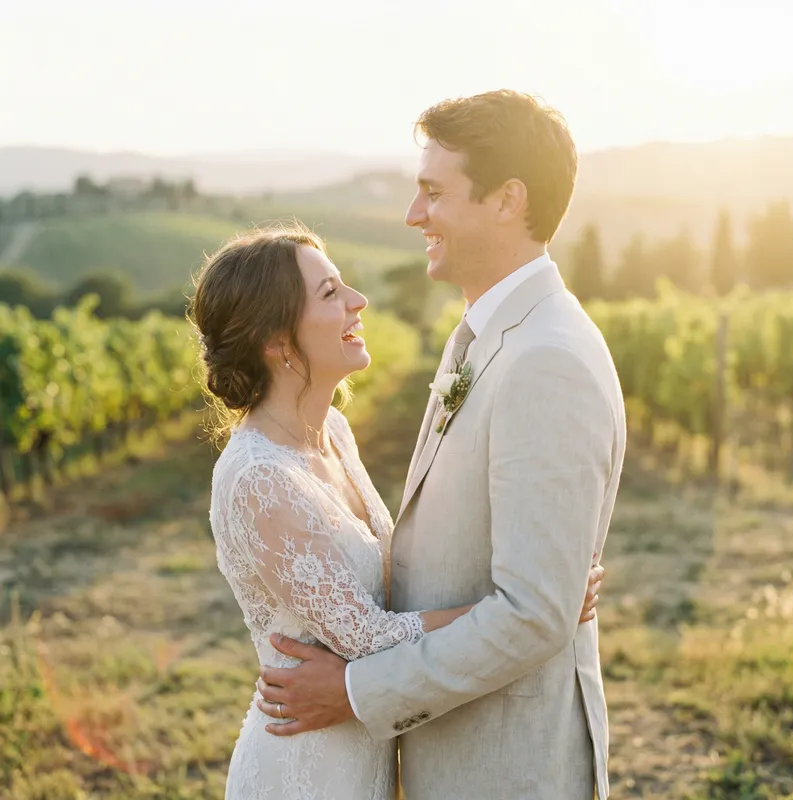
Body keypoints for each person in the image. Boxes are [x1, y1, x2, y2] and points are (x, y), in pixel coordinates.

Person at [254, 90, 626, 800]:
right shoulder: (488, 336)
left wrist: (359, 690)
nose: (413, 214)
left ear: (507, 200)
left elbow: (534, 614)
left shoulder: (546, 359)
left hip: (507, 771)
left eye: (433, 192)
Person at [190, 219, 606, 800]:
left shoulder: (334, 433)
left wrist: (540, 581)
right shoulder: (257, 478)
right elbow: (368, 638)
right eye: (330, 293)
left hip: (364, 751)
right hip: (307, 766)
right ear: (277, 341)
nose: (358, 300)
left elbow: (388, 579)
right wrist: (533, 605)